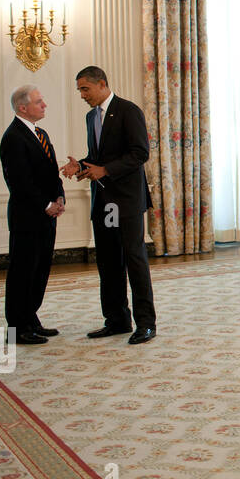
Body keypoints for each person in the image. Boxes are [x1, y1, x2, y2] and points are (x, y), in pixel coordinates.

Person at [59, 66, 157, 344]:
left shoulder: (129, 110)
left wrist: (106, 170)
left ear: (102, 84)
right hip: (103, 201)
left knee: (134, 259)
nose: (81, 95)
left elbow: (140, 153)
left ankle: (146, 324)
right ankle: (117, 320)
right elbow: (98, 156)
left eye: (84, 89)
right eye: (79, 90)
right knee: (108, 261)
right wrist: (81, 164)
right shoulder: (91, 117)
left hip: (126, 201)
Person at [0, 85, 65, 345]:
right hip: (27, 216)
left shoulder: (41, 133)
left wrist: (59, 198)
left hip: (46, 215)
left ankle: (30, 319)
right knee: (22, 272)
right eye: (39, 102)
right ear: (22, 107)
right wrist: (45, 204)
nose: (44, 105)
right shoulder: (13, 137)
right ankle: (17, 328)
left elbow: (51, 173)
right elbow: (19, 181)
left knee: (39, 269)